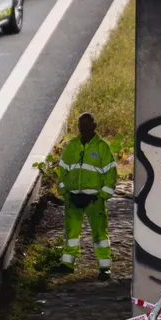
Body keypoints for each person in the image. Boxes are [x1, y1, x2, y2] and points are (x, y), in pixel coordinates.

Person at [57, 112, 117, 278]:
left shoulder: (102, 147)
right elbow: (62, 170)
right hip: (73, 199)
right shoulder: (72, 146)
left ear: (94, 126)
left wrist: (101, 197)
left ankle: (104, 267)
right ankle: (67, 264)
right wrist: (66, 193)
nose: (82, 128)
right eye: (80, 125)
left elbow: (111, 174)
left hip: (94, 200)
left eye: (86, 125)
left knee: (99, 234)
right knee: (71, 233)